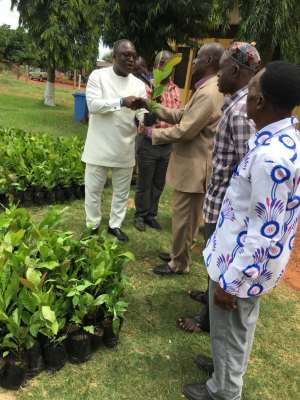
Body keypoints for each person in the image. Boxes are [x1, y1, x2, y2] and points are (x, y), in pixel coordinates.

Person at [183, 61, 300, 400]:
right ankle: (224, 370)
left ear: (261, 101)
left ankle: (223, 391)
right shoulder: (287, 140)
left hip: (242, 266)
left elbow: (264, 233)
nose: (245, 99)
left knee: (231, 332)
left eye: (250, 93)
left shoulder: (270, 158)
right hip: (248, 262)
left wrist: (232, 283)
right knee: (238, 329)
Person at [177, 42, 261, 334]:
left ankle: (207, 320)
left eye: (222, 69)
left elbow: (248, 168)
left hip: (227, 209)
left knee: (222, 263)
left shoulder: (240, 113)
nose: (217, 76)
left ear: (235, 70)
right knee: (214, 259)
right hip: (219, 203)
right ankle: (208, 297)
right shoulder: (236, 103)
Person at [136, 43, 225, 274]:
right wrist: (153, 105)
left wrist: (151, 133)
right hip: (191, 164)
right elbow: (182, 114)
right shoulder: (204, 89)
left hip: (195, 167)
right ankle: (179, 253)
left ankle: (179, 264)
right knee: (184, 217)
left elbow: (185, 130)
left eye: (199, 58)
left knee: (186, 219)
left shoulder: (209, 92)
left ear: (210, 62)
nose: (193, 62)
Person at [81, 39, 147, 242]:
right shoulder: (98, 76)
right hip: (99, 146)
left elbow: (141, 114)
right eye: (125, 55)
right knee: (93, 190)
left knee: (121, 192)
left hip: (124, 147)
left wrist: (147, 117)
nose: (130, 59)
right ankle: (92, 225)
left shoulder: (139, 84)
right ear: (114, 57)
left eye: (133, 55)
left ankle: (115, 225)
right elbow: (93, 106)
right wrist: (121, 101)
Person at [134, 50, 181, 232]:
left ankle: (151, 214)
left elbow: (176, 114)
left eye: (169, 65)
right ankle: (140, 214)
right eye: (162, 64)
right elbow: (139, 115)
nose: (165, 68)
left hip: (166, 143)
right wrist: (147, 118)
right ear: (156, 66)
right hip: (148, 142)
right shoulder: (147, 87)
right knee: (145, 182)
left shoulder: (175, 89)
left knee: (158, 183)